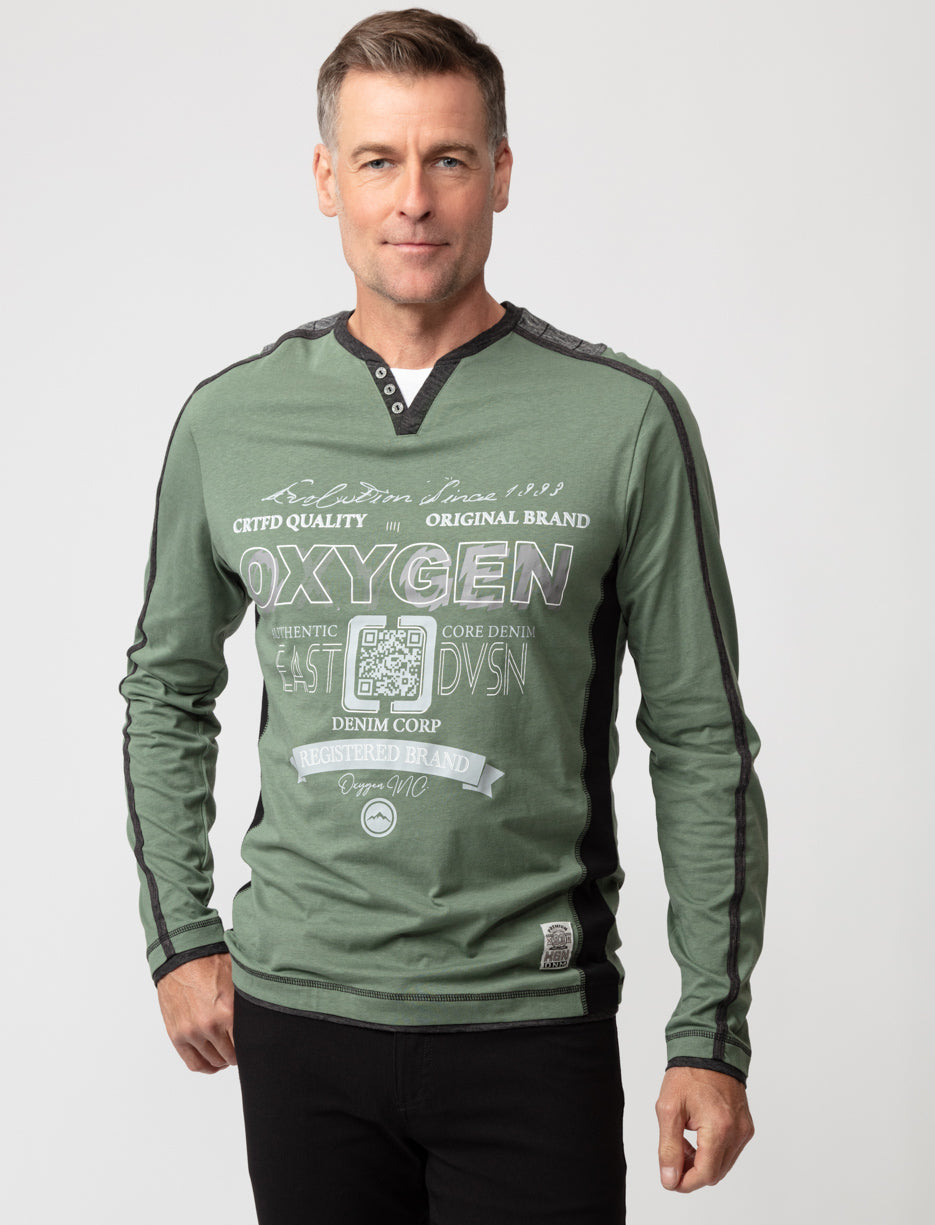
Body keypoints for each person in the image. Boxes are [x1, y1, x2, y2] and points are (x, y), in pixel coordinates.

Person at [120, 9, 767, 1223]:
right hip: (299, 1016)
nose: (411, 199)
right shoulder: (229, 422)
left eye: (448, 159)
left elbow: (697, 734)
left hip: (530, 1017)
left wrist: (708, 1028)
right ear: (328, 179)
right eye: (378, 160)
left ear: (500, 174)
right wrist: (182, 936)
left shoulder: (622, 419)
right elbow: (165, 687)